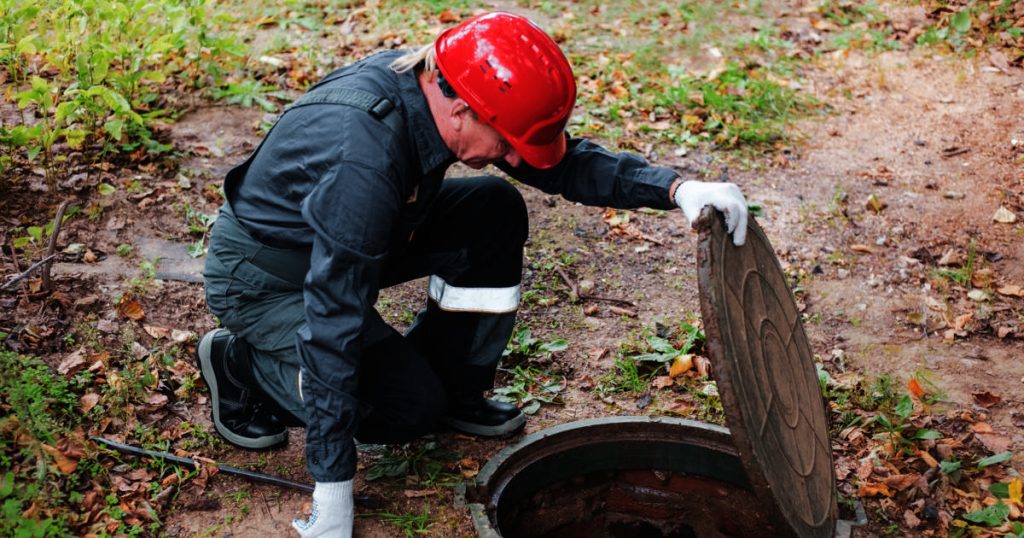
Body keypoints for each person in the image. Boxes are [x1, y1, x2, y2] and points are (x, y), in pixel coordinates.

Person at [196, 11, 748, 537]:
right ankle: (241, 365)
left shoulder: (441, 91)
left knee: (491, 206)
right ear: (461, 110)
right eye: (506, 141)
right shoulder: (362, 160)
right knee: (403, 407)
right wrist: (333, 485)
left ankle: (455, 388)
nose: (513, 154)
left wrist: (677, 190)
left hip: (367, 233)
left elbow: (560, 164)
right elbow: (332, 318)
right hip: (268, 276)